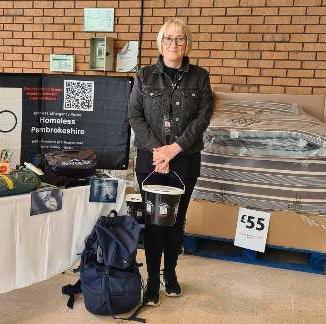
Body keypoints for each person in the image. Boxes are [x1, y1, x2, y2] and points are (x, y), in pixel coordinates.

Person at [128, 18, 214, 306]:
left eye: (179, 39)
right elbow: (135, 116)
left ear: (186, 43)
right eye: (168, 39)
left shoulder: (200, 77)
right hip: (150, 160)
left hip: (185, 160)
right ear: (160, 43)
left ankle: (170, 274)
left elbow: (203, 118)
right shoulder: (144, 75)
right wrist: (158, 151)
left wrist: (174, 149)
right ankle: (152, 280)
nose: (174, 44)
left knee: (174, 221)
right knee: (154, 223)